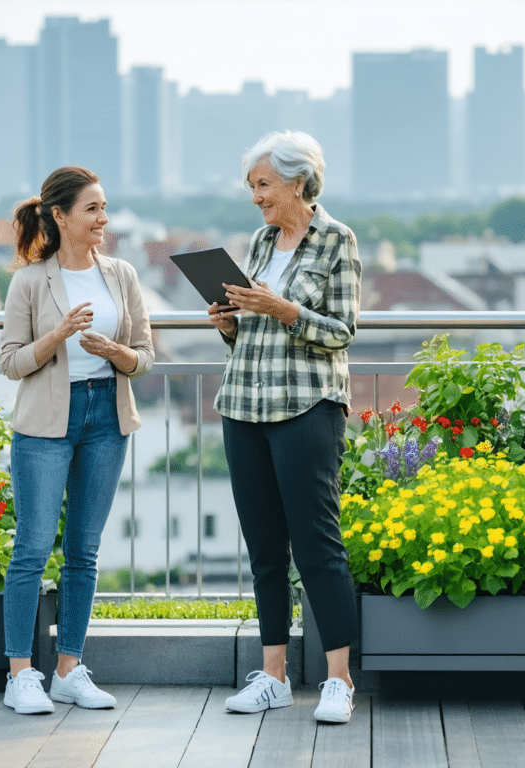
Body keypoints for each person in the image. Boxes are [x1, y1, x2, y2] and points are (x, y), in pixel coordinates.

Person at [211, 131, 362, 724]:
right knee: (265, 549)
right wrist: (228, 321)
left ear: (298, 181)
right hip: (244, 405)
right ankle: (272, 675)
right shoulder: (259, 240)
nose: (256, 197)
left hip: (307, 408)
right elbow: (248, 333)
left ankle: (338, 680)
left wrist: (286, 310)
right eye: (251, 187)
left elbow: (343, 329)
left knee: (318, 546)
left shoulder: (336, 241)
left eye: (264, 185)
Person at [0, 166, 153, 715]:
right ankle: (21, 673)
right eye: (92, 210)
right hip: (45, 424)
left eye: (105, 208)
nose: (103, 220)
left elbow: (144, 357)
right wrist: (57, 336)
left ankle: (68, 668)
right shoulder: (29, 281)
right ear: (60, 216)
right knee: (32, 549)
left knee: (83, 551)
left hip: (106, 417)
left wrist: (115, 352)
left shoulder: (122, 274)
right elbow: (11, 363)